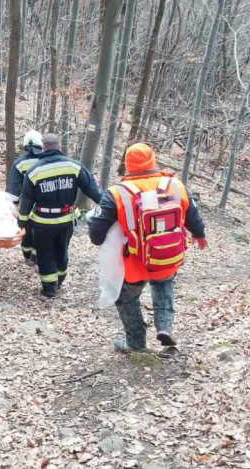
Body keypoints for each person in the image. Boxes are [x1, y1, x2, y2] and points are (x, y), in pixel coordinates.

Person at [87, 143, 207, 353]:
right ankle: (164, 326)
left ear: (127, 165)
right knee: (164, 285)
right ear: (153, 160)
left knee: (126, 299)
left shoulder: (116, 194)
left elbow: (96, 233)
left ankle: (136, 343)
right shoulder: (175, 185)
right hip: (168, 257)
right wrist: (199, 235)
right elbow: (192, 214)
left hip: (135, 263)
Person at [18, 133, 102, 298]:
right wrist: (110, 205)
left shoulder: (34, 171)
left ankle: (49, 289)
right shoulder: (74, 167)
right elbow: (92, 189)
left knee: (44, 253)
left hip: (42, 223)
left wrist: (21, 222)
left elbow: (26, 200)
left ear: (43, 147)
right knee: (62, 250)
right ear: (59, 147)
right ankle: (60, 279)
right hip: (66, 221)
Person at [7, 130, 44, 263]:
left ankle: (27, 254)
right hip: (44, 203)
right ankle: (35, 255)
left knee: (26, 229)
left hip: (26, 204)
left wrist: (14, 206)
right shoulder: (46, 160)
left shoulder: (19, 163)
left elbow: (14, 189)